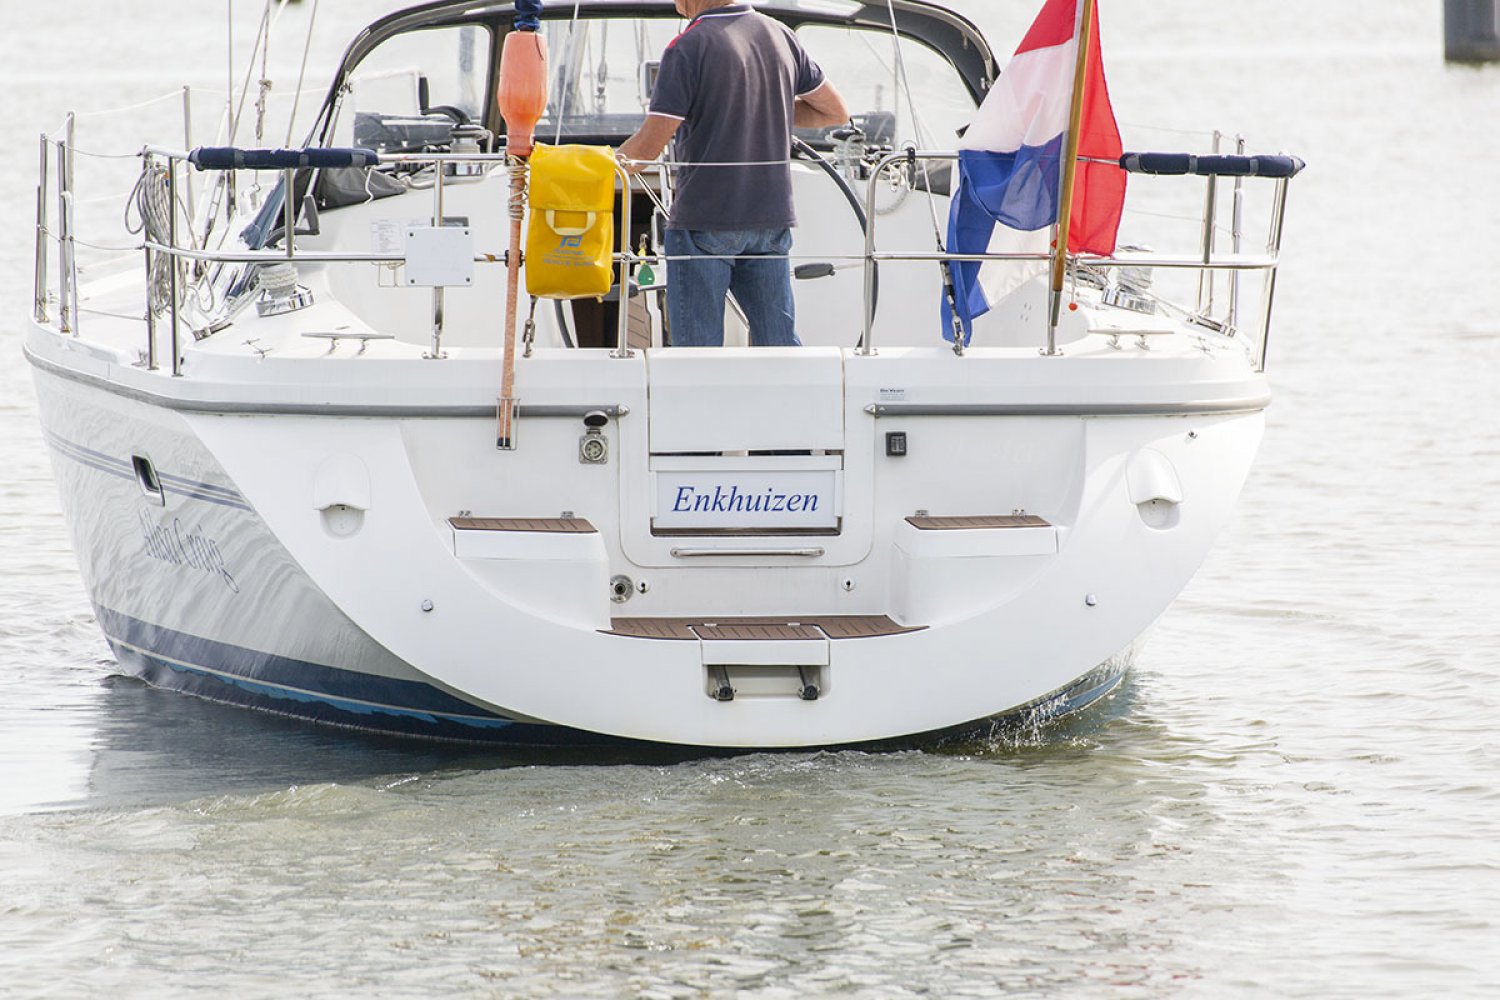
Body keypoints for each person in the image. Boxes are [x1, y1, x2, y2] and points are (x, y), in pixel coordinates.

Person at [617, 0, 848, 347]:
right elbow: (835, 112)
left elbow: (645, 150)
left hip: (705, 222)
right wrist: (765, 103)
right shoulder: (780, 35)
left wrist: (594, 167)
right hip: (770, 221)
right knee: (779, 345)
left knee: (699, 353)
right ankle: (792, 385)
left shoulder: (688, 45)